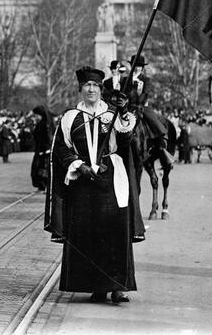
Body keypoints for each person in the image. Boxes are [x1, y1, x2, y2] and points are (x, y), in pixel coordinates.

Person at [45, 66, 145, 304]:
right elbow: (61, 149)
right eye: (87, 85)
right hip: (82, 181)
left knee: (114, 231)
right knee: (88, 233)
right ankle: (96, 286)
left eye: (96, 86)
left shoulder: (112, 115)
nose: (91, 89)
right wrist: (79, 165)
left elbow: (125, 140)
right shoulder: (70, 118)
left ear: (101, 90)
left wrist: (123, 111)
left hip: (111, 178)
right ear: (80, 89)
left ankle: (118, 286)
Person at [30, 105, 54, 191]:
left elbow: (48, 138)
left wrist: (46, 149)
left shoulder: (46, 125)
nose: (35, 117)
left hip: (44, 151)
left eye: (36, 115)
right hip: (40, 150)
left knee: (43, 169)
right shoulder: (40, 124)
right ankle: (41, 185)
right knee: (38, 169)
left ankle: (44, 186)